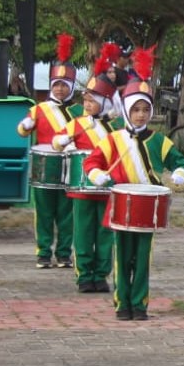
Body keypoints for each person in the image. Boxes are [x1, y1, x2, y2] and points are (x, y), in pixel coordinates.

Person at [85, 47, 184, 321]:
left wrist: (179, 173)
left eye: (145, 109)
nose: (141, 115)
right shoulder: (114, 139)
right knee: (122, 256)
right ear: (126, 110)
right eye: (136, 109)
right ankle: (122, 304)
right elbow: (91, 163)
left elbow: (179, 161)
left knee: (142, 259)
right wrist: (97, 175)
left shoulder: (159, 140)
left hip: (147, 207)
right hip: (120, 204)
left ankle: (139, 304)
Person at [52, 44, 124, 292]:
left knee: (105, 234)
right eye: (86, 100)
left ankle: (101, 274)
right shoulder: (77, 123)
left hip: (107, 189)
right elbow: (57, 142)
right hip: (81, 190)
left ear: (105, 102)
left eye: (93, 101)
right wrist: (60, 141)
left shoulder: (115, 127)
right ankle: (84, 275)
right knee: (82, 233)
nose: (88, 104)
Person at [17, 33, 81, 268]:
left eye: (65, 85)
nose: (61, 90)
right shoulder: (39, 109)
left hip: (69, 168)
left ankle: (64, 253)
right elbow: (23, 131)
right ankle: (43, 253)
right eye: (57, 85)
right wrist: (25, 126)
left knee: (66, 214)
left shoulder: (78, 112)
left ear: (71, 87)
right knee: (43, 213)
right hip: (44, 168)